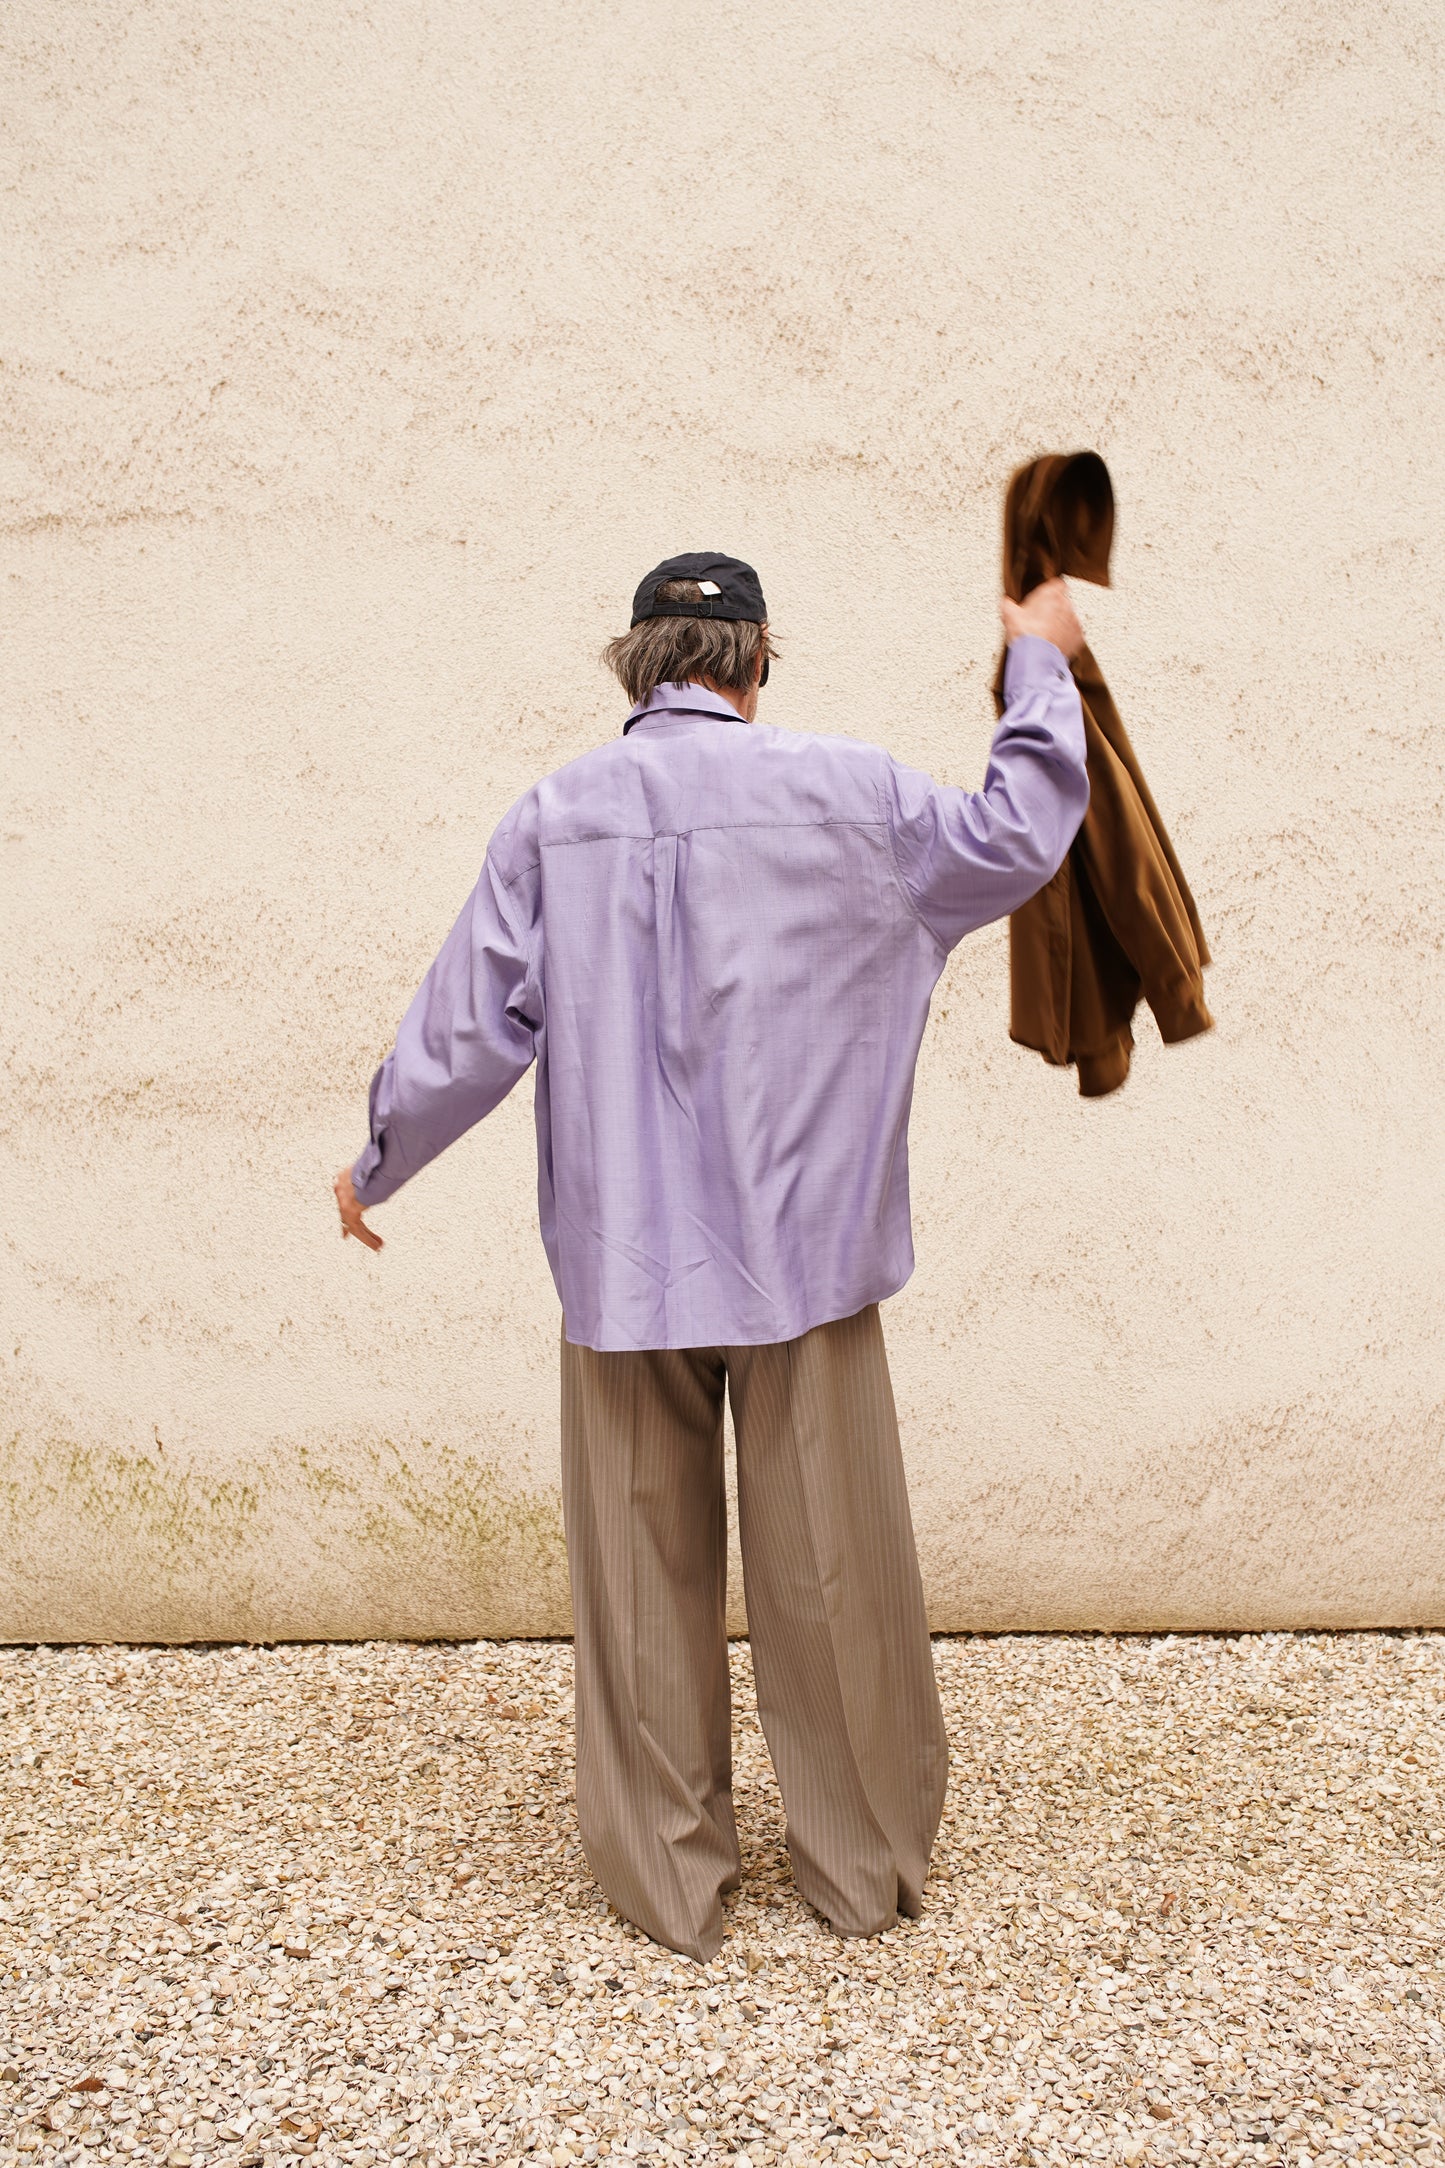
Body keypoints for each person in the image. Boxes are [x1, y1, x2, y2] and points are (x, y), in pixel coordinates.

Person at [334, 552, 1088, 1961]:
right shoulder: (850, 795)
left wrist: (376, 1160)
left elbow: (465, 1030)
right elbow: (1018, 834)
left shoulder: (556, 817)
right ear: (755, 664)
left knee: (636, 1579)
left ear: (638, 666)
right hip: (804, 1263)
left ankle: (667, 1889)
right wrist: (1035, 661)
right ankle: (859, 1874)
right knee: (832, 1572)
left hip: (626, 1267)